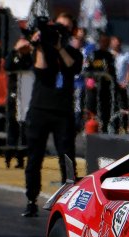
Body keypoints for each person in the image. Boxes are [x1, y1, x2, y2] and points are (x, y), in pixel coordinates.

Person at [22, 13, 83, 217]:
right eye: (57, 26)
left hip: (62, 112)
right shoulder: (42, 48)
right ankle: (31, 199)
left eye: (65, 28)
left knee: (66, 158)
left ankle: (69, 201)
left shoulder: (73, 52)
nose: (59, 31)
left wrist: (59, 47)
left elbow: (73, 68)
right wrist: (40, 45)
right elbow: (40, 71)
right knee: (34, 157)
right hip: (40, 108)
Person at [4, 37, 32, 169]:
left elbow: (32, 68)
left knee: (24, 126)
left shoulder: (30, 58)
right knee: (12, 125)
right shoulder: (13, 56)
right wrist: (16, 50)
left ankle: (21, 157)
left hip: (25, 94)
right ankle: (9, 156)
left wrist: (28, 51)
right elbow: (7, 66)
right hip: (14, 93)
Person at [86, 32, 116, 133]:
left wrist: (113, 82)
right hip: (93, 85)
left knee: (105, 107)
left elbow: (112, 72)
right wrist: (91, 78)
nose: (104, 44)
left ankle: (105, 126)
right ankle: (90, 126)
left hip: (105, 86)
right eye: (102, 42)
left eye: (106, 42)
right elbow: (87, 69)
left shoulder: (109, 56)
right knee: (91, 106)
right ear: (99, 42)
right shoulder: (93, 54)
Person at [110, 35, 129, 134]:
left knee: (124, 107)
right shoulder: (107, 54)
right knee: (111, 106)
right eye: (114, 41)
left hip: (121, 85)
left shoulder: (126, 55)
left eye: (118, 41)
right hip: (110, 86)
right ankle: (112, 127)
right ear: (111, 43)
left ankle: (124, 127)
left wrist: (126, 82)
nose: (117, 43)